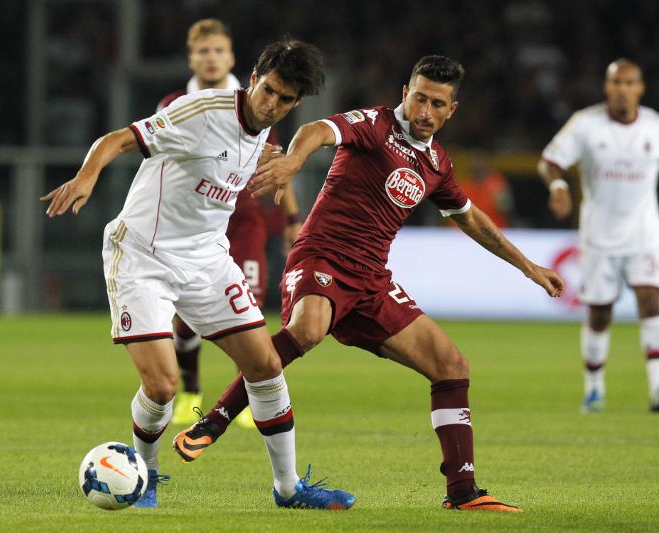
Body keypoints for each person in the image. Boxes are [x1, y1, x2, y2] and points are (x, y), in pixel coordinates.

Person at [173, 55, 564, 512]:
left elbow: (471, 218)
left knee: (452, 365)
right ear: (405, 93)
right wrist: (294, 163)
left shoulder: (437, 163)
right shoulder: (375, 125)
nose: (424, 111)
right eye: (418, 98)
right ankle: (213, 422)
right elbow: (316, 131)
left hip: (371, 282)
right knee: (307, 329)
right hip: (321, 257)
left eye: (436, 104)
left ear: (450, 110)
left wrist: (528, 266)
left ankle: (462, 493)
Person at [40, 38, 354, 510]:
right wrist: (87, 176)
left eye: (285, 99)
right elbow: (118, 139)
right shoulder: (201, 112)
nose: (272, 104)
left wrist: (289, 212)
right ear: (252, 78)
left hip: (206, 259)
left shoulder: (263, 139)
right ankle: (145, 476)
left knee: (266, 365)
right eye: (267, 90)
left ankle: (288, 490)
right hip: (143, 255)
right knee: (163, 386)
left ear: (296, 102)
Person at [157, 19, 302, 428]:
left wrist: (292, 218)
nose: (211, 58)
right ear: (192, 58)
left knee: (248, 308)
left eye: (218, 51)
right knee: (186, 314)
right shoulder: (173, 103)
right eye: (203, 51)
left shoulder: (258, 101)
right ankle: (189, 389)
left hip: (245, 220)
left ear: (232, 58)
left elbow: (274, 163)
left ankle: (243, 396)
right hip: (192, 222)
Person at [537, 58, 659, 413]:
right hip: (599, 236)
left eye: (629, 83)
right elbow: (549, 161)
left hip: (645, 233)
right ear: (607, 88)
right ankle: (594, 389)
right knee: (600, 312)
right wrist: (558, 185)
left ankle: (658, 387)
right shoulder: (585, 125)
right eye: (616, 82)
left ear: (641, 88)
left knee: (651, 301)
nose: (623, 89)